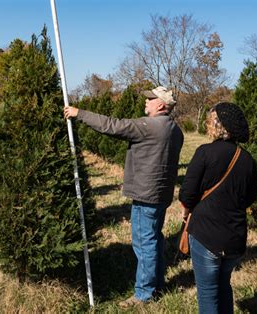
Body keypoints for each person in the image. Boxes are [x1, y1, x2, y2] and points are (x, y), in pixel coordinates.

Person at [64, 86, 184, 307]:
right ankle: (157, 284)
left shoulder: (149, 126)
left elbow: (113, 125)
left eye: (150, 99)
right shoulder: (176, 130)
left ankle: (144, 294)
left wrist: (79, 114)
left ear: (160, 105)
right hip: (161, 194)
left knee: (144, 242)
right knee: (155, 239)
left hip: (146, 195)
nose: (146, 102)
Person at [179, 102, 257, 314]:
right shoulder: (248, 159)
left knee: (207, 292)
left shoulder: (205, 152)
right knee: (224, 286)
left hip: (206, 234)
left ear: (218, 125)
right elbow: (250, 196)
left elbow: (186, 194)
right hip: (235, 236)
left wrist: (188, 211)